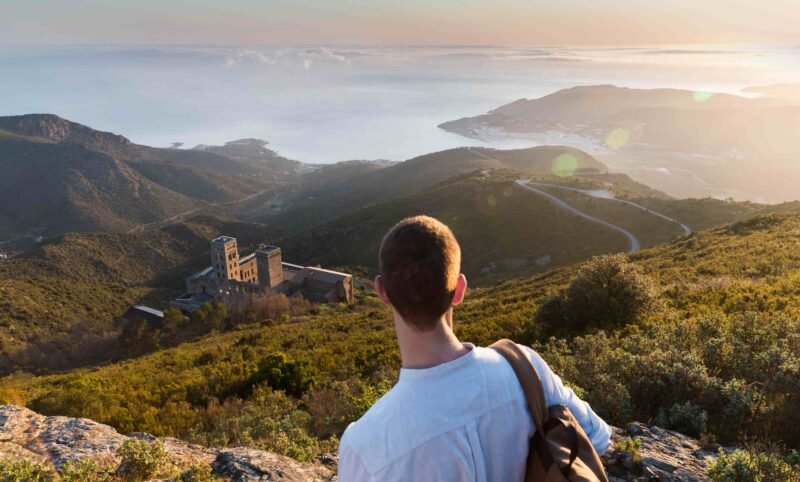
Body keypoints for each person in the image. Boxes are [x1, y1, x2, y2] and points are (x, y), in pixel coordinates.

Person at [338, 215, 611, 482]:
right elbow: (598, 439)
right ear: (459, 289)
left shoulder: (363, 444)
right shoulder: (525, 367)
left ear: (382, 291)